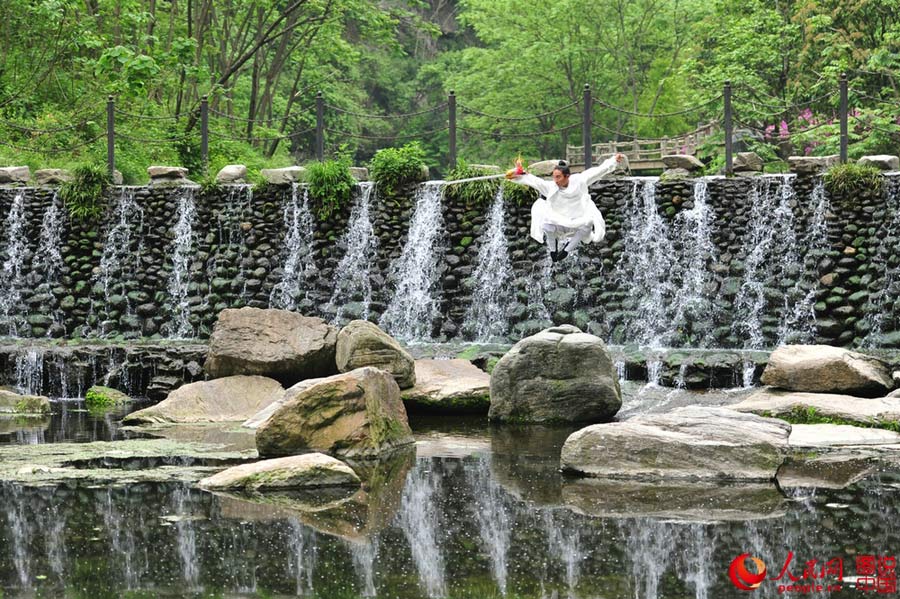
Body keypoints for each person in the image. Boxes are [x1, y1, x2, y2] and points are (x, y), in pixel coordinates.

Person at [506, 154, 624, 262]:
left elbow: (599, 171)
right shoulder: (551, 187)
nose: (555, 180)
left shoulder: (580, 181)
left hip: (577, 221)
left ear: (567, 176)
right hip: (559, 222)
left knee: (588, 222)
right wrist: (517, 175)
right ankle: (553, 249)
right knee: (546, 223)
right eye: (554, 177)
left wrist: (613, 161)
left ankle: (566, 251)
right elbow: (534, 181)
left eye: (558, 177)